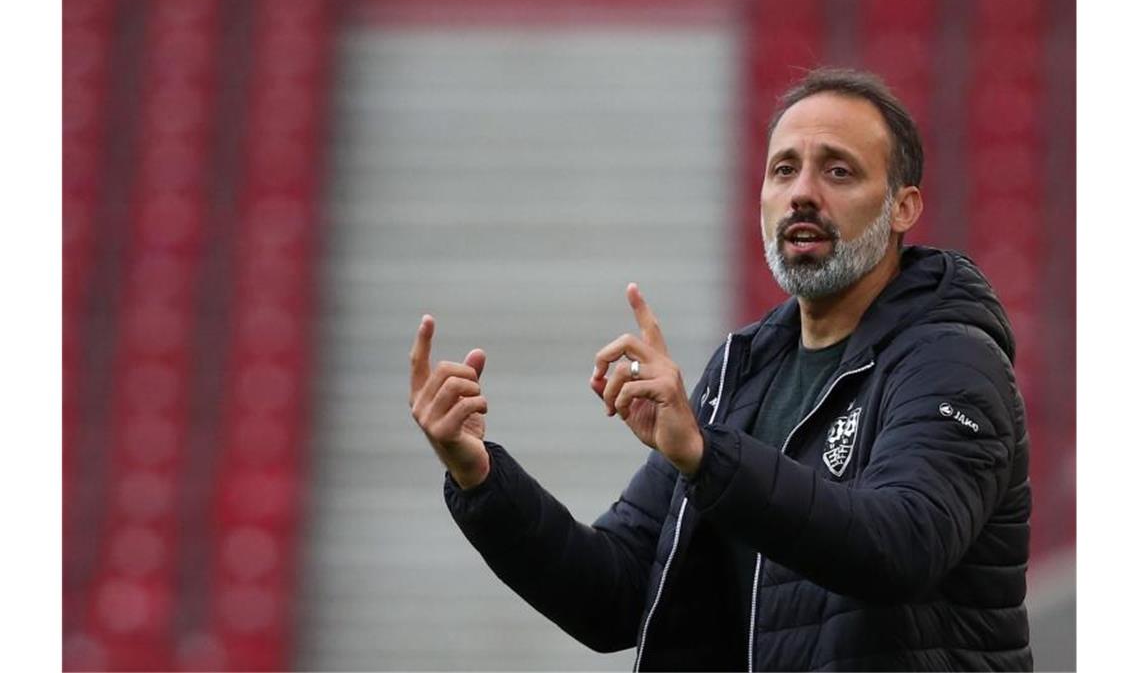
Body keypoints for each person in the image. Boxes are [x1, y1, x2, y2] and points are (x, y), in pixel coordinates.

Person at [407, 68, 1032, 671]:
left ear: (903, 208)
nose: (803, 192)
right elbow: (616, 595)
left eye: (838, 171)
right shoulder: (742, 370)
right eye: (784, 169)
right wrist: (480, 477)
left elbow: (903, 547)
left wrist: (708, 457)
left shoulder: (952, 359)